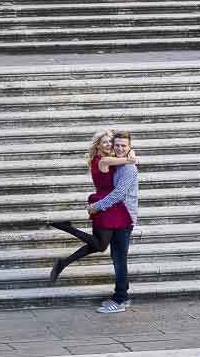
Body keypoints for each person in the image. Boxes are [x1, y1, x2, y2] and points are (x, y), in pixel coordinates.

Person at [48, 128, 136, 283]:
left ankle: (62, 262)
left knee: (98, 245)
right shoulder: (103, 160)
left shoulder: (106, 158)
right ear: (98, 146)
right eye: (105, 142)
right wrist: (132, 155)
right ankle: (68, 228)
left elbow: (120, 157)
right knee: (100, 245)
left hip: (111, 204)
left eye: (110, 141)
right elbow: (128, 161)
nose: (109, 144)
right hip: (103, 202)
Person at [88, 131, 139, 314]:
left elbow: (118, 194)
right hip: (116, 215)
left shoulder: (128, 169)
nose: (119, 148)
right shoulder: (119, 163)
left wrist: (97, 206)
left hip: (125, 216)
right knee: (116, 257)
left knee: (119, 258)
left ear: (129, 147)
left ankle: (120, 299)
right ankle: (120, 295)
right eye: (117, 145)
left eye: (123, 146)